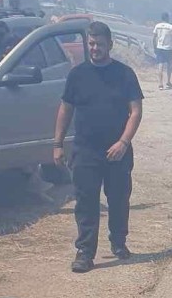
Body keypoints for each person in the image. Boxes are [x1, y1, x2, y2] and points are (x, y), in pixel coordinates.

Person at [54, 21, 144, 273]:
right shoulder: (77, 75)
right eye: (91, 44)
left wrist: (123, 142)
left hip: (118, 151)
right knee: (86, 202)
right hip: (85, 150)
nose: (95, 48)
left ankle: (118, 242)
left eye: (100, 44)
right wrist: (58, 144)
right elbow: (65, 109)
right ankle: (85, 252)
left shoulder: (125, 74)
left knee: (118, 199)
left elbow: (135, 112)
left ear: (110, 45)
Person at [152, 13, 172, 90]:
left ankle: (160, 84)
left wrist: (155, 47)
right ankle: (168, 82)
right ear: (167, 18)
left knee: (160, 65)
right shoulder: (171, 27)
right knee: (169, 65)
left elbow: (154, 38)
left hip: (159, 47)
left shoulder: (157, 26)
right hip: (168, 48)